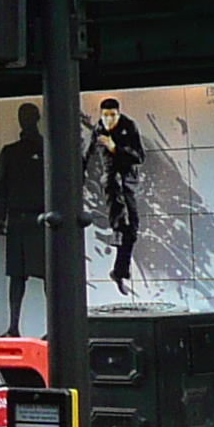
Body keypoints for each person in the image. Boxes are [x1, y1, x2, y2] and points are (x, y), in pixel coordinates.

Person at [0, 104, 45, 338]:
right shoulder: (10, 151)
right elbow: (1, 185)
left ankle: (53, 328)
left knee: (48, 275)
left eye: (28, 117)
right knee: (16, 275)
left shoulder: (47, 149)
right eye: (21, 117)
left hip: (41, 217)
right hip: (17, 217)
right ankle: (13, 326)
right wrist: (0, 215)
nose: (24, 121)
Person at [88, 98, 146, 289]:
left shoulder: (129, 126)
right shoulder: (97, 130)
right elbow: (84, 156)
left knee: (132, 228)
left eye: (113, 115)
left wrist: (115, 147)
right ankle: (117, 237)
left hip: (128, 181)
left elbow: (139, 156)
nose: (109, 119)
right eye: (105, 115)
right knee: (121, 223)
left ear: (118, 114)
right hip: (111, 182)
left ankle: (119, 270)